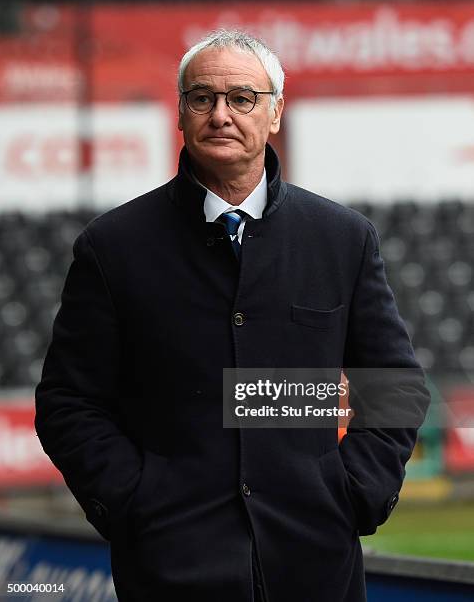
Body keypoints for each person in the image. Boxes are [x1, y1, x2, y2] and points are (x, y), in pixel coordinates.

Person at [35, 30, 430, 602]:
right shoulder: (113, 247)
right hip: (169, 568)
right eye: (202, 98)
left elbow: (393, 388)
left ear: (274, 114)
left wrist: (350, 493)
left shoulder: (343, 240)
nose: (221, 114)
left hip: (316, 566)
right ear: (180, 114)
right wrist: (134, 502)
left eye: (242, 98)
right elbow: (69, 402)